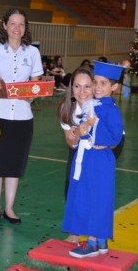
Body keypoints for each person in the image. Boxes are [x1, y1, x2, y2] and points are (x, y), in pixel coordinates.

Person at [0, 8, 44, 224]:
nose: (17, 28)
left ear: (26, 28)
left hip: (23, 118)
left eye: (22, 24)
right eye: (13, 24)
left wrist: (32, 97)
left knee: (15, 164)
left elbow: (37, 83)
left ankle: (9, 207)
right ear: (4, 25)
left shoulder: (32, 53)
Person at [62, 61, 124, 258]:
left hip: (99, 159)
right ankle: (100, 239)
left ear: (114, 87)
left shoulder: (110, 109)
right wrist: (78, 131)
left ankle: (92, 243)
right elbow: (81, 131)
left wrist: (95, 134)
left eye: (102, 84)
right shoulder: (94, 104)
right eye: (95, 82)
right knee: (90, 196)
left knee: (98, 198)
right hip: (88, 158)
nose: (97, 87)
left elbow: (115, 136)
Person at [57, 67, 94, 243]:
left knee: (95, 193)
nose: (82, 92)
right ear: (71, 89)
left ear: (94, 87)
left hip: (99, 156)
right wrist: (74, 135)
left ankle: (95, 234)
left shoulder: (103, 106)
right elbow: (70, 143)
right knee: (71, 189)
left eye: (87, 86)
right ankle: (74, 232)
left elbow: (116, 139)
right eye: (77, 86)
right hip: (77, 154)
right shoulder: (67, 108)